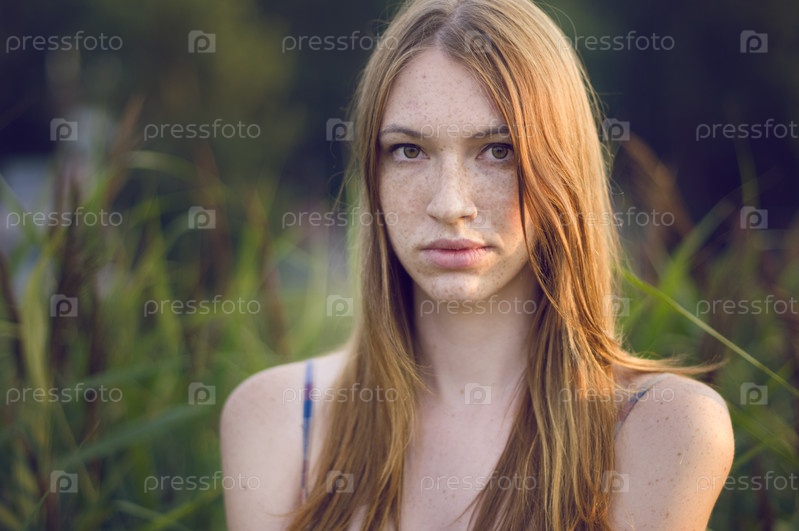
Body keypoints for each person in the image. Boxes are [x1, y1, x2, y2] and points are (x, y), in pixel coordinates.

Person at [221, 0, 734, 528]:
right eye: (408, 151)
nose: (449, 204)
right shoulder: (279, 420)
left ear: (563, 169)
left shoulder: (662, 429)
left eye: (497, 150)